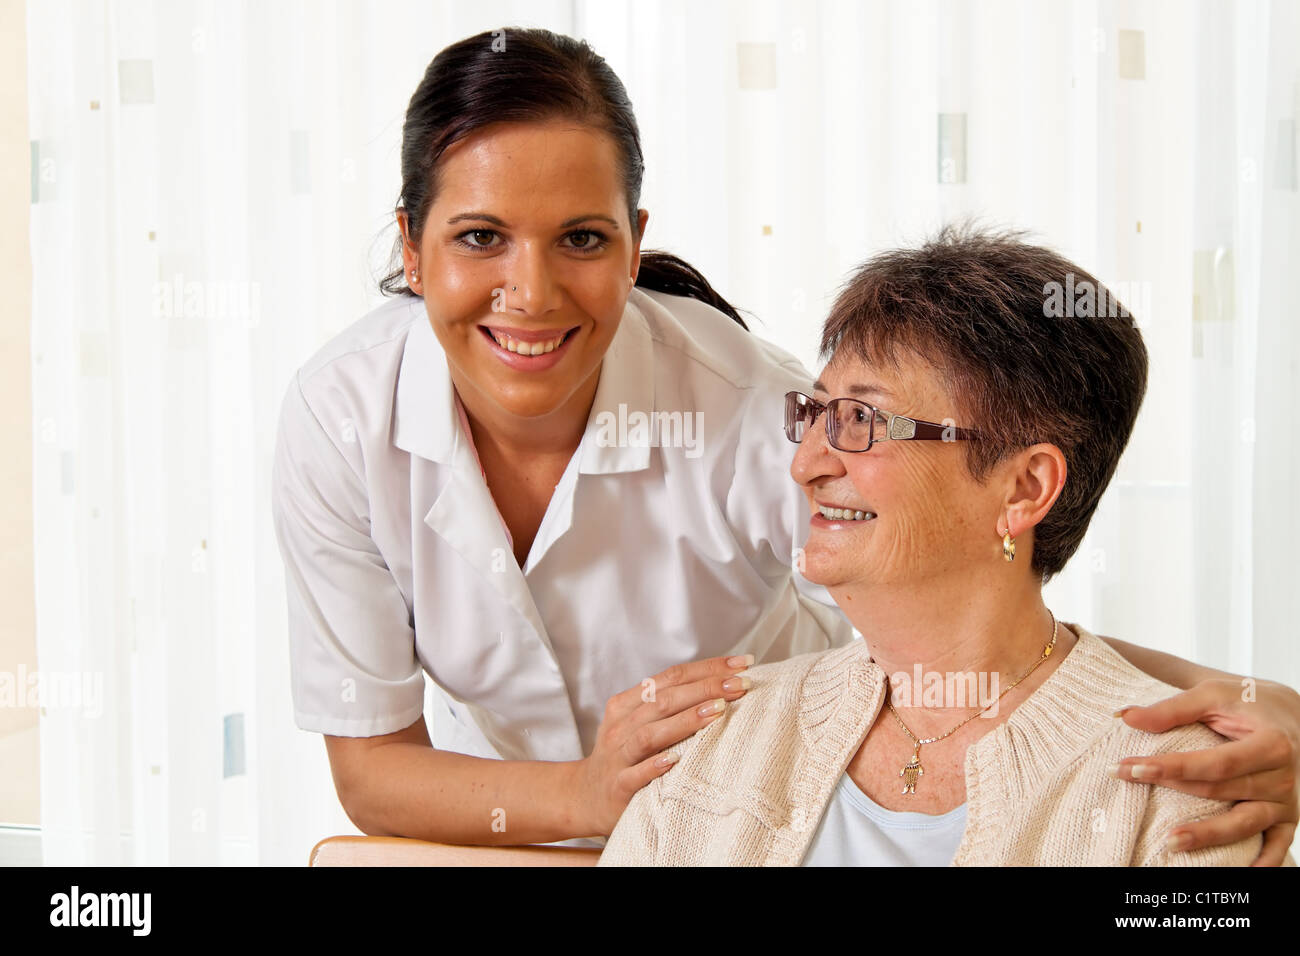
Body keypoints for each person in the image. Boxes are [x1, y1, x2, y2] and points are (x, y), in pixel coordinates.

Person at [271, 27, 1300, 858]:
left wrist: (1257, 702)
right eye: (478, 236)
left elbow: (976, 586)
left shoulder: (749, 410)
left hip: (757, 807)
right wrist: (585, 791)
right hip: (605, 821)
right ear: (411, 247)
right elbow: (371, 770)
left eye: (582, 238)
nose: (530, 293)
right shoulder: (341, 416)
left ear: (634, 243)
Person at [597, 227, 1296, 865]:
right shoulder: (711, 741)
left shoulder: (1187, 785)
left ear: (1025, 488)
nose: (807, 462)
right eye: (815, 414)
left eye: (862, 419)